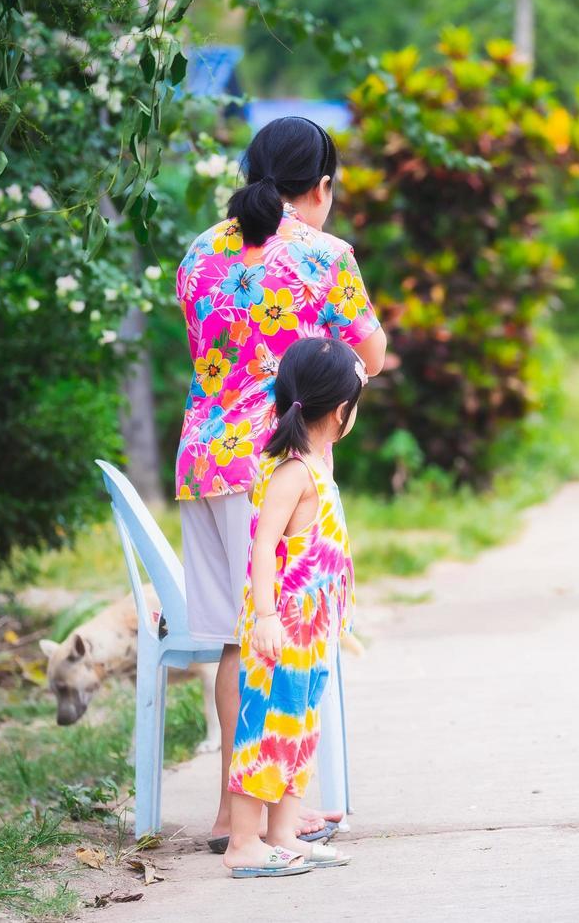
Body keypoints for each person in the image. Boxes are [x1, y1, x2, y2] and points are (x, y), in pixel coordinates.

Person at [172, 116, 386, 853]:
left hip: (202, 461)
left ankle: (243, 815)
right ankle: (255, 822)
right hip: (274, 464)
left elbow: (207, 349)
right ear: (322, 187)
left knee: (239, 637)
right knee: (275, 633)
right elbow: (373, 353)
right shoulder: (325, 255)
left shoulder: (201, 250)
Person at [223, 337, 365, 877]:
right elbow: (263, 545)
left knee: (298, 728)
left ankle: (283, 836)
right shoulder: (292, 471)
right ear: (338, 410)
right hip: (280, 626)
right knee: (264, 729)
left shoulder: (315, 460)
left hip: (310, 630)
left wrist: (350, 374)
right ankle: (243, 843)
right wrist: (264, 617)